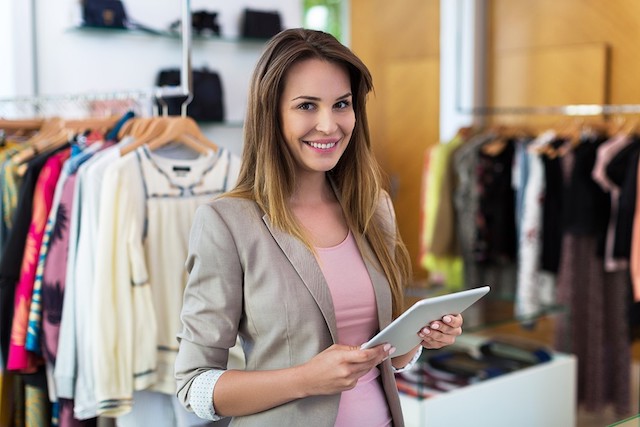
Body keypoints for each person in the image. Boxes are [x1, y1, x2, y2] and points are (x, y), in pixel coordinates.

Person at [175, 28, 464, 427]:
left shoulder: (373, 206)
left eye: (341, 104)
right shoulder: (227, 222)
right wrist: (305, 380)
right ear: (271, 113)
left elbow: (381, 354)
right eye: (307, 106)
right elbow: (195, 386)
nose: (329, 125)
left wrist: (417, 339)